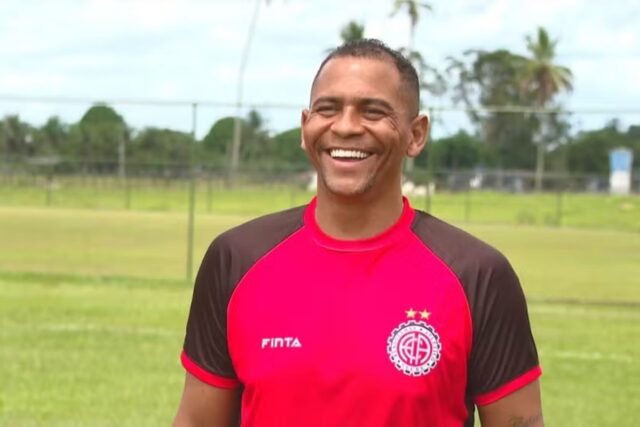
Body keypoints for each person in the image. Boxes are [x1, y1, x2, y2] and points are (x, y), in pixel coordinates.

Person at [173, 39, 543, 427]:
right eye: (328, 109)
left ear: (416, 134)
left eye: (373, 111)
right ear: (305, 127)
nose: (346, 127)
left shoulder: (477, 274)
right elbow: (197, 421)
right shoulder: (236, 259)